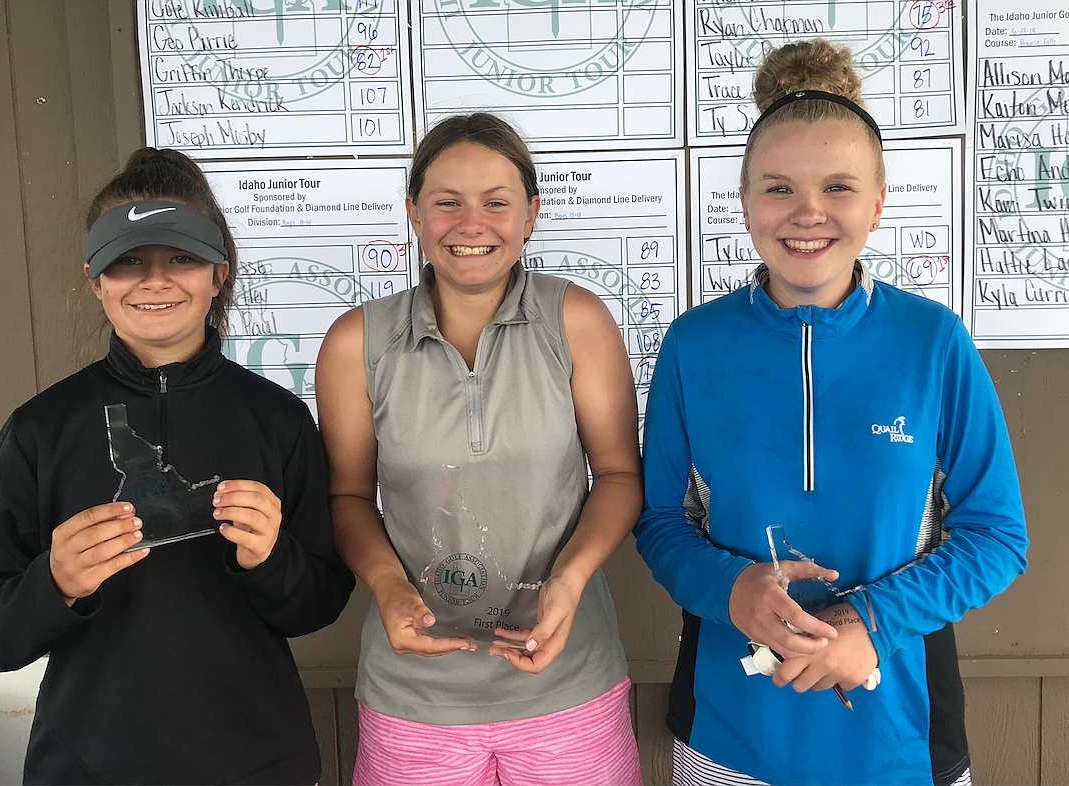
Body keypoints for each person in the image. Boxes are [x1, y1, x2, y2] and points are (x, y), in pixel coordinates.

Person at [634, 39, 1028, 786]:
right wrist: (730, 589)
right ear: (746, 202)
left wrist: (866, 623)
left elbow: (996, 537)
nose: (808, 214)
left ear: (877, 203)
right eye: (778, 189)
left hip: (901, 731)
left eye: (839, 188)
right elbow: (658, 521)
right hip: (730, 734)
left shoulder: (933, 341)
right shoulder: (692, 346)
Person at [0, 148, 356, 785]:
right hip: (86, 768)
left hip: (258, 765)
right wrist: (54, 583)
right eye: (127, 261)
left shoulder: (278, 421)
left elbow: (319, 604)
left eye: (181, 258)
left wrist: (271, 560)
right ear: (94, 278)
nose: (155, 281)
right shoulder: (39, 430)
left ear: (218, 275)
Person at [314, 112, 643, 786]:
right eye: (447, 202)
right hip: (415, 693)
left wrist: (570, 579)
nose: (473, 223)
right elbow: (347, 497)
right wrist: (387, 586)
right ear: (413, 212)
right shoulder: (357, 342)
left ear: (531, 214)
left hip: (565, 681)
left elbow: (616, 474)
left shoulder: (576, 320)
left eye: (496, 202)